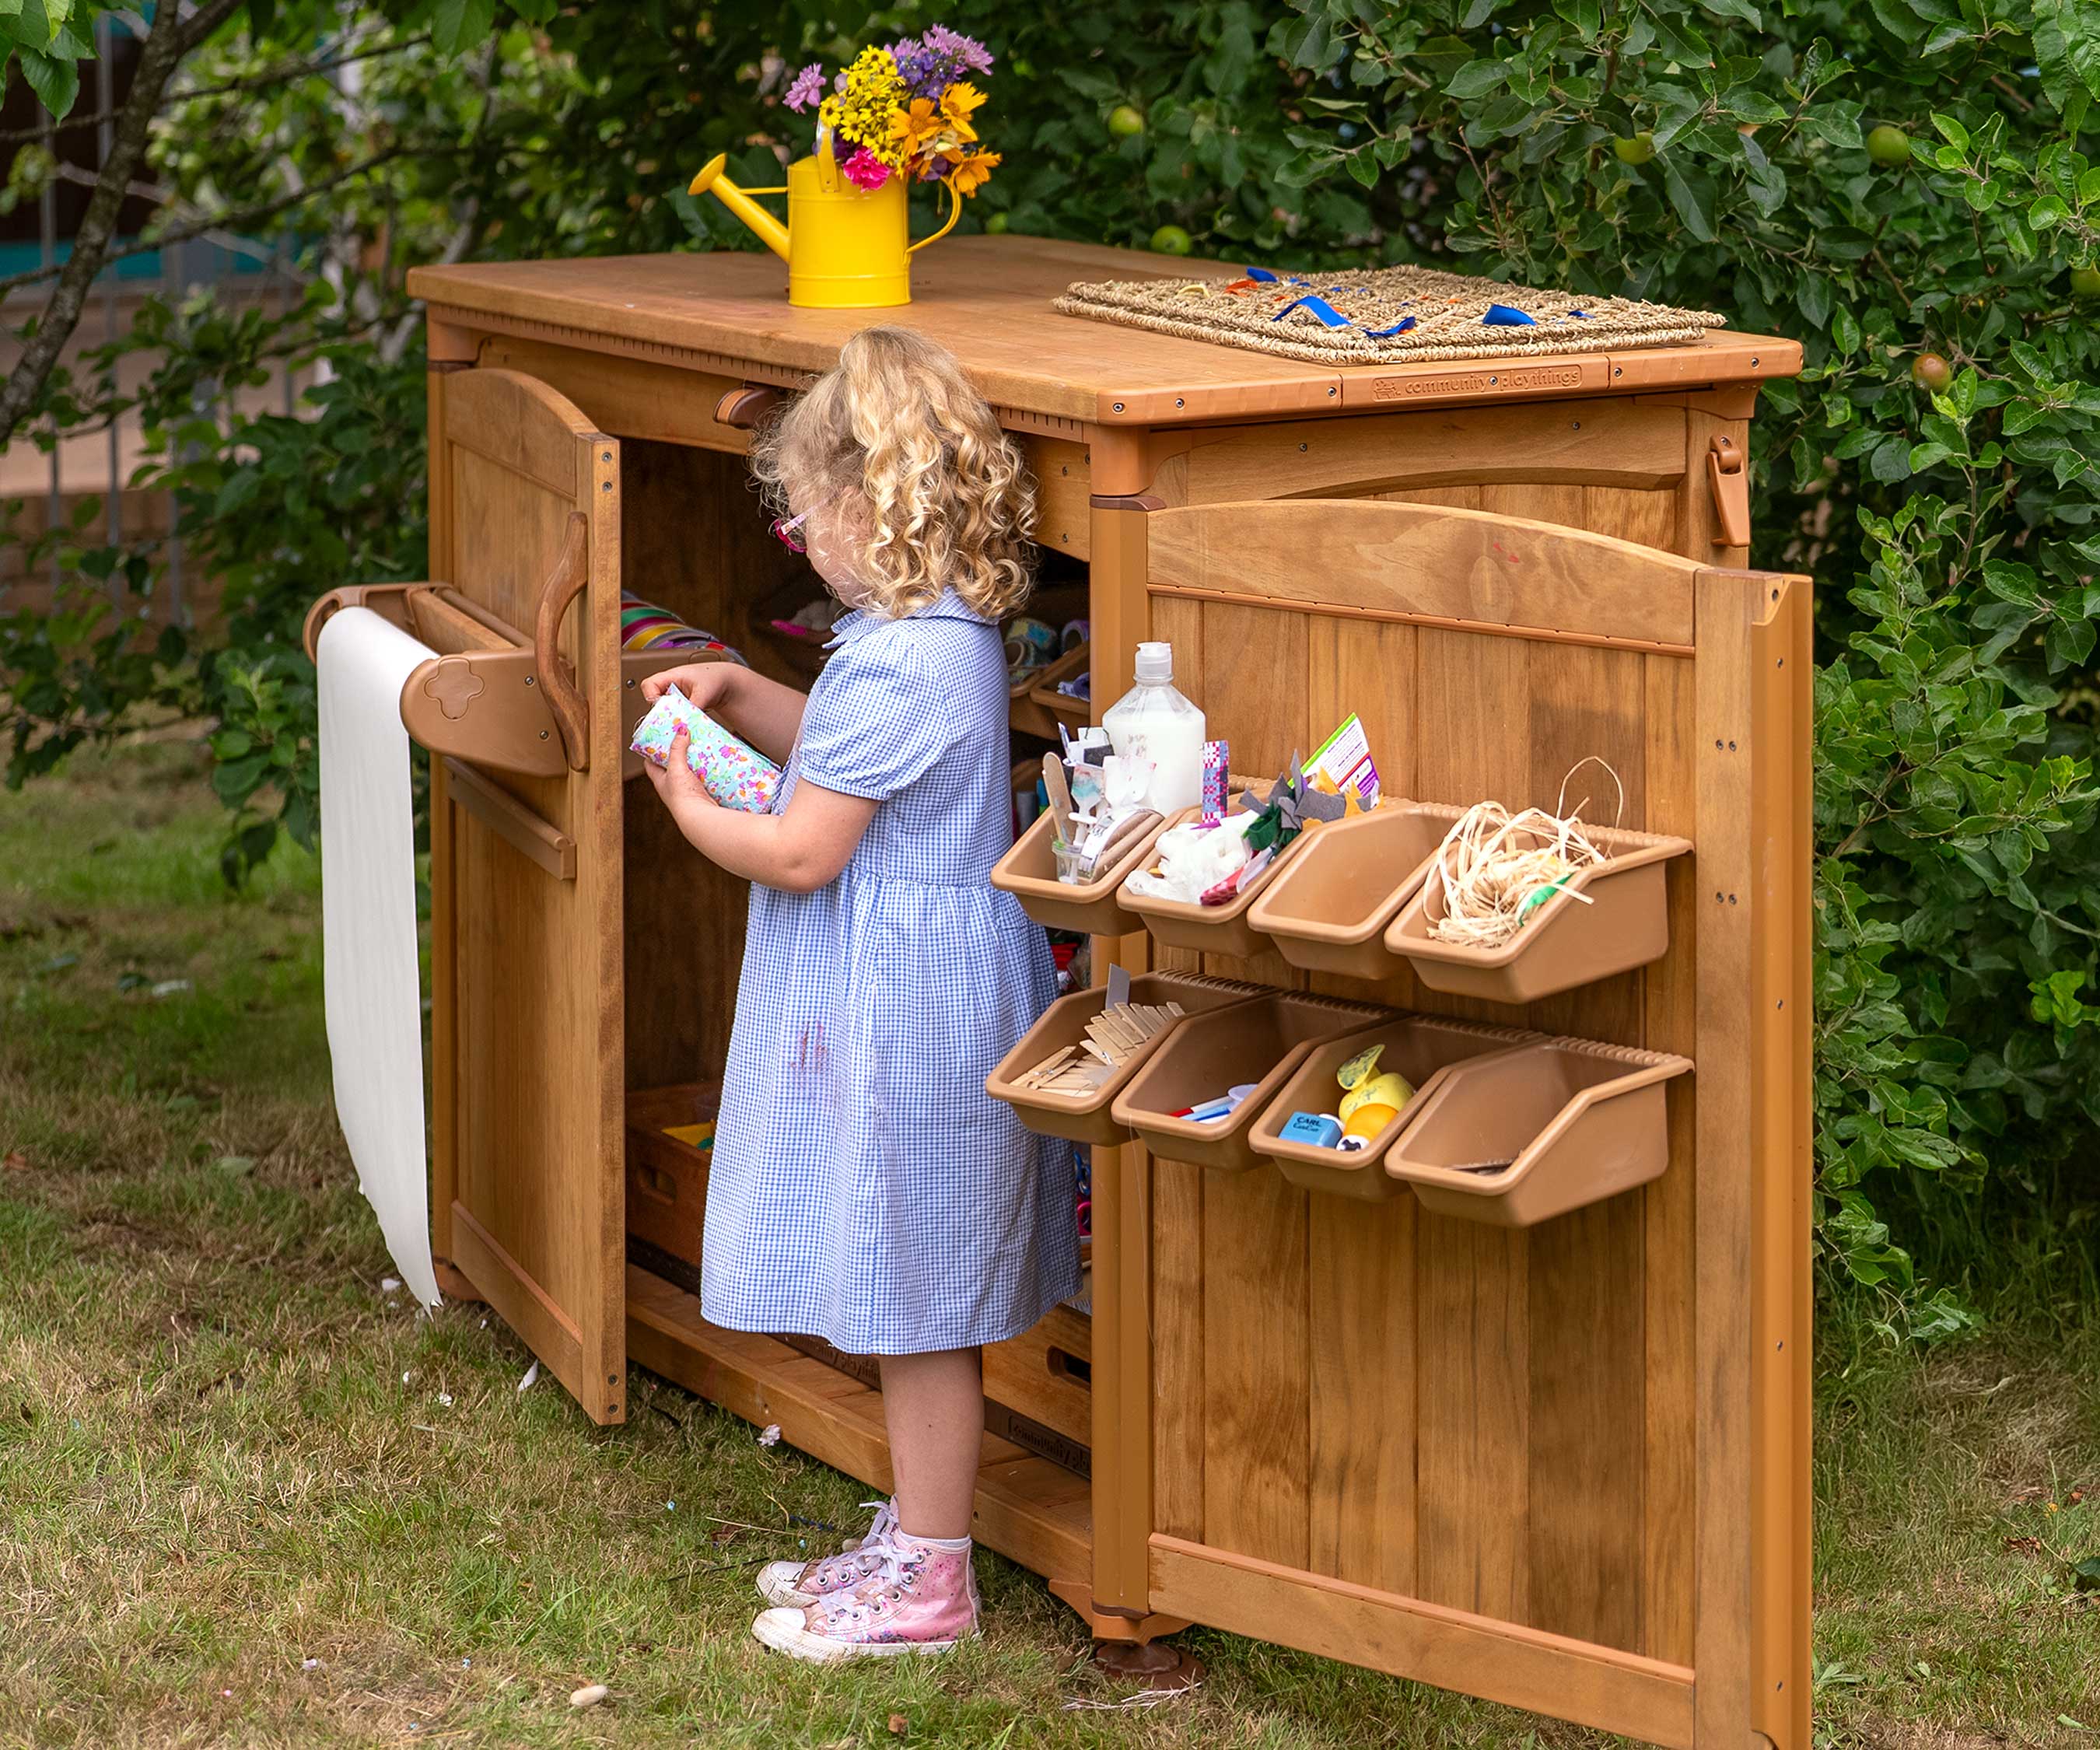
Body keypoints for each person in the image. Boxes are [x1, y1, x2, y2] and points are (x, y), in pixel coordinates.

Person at [637, 326, 1080, 1661]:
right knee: (912, 1271)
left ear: (868, 504)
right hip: (922, 984)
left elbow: (801, 844)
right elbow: (844, 754)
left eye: (802, 512)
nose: (795, 538)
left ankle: (934, 1579)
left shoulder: (899, 661)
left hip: (907, 1008)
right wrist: (743, 692)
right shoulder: (935, 635)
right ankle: (921, 1528)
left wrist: (678, 785)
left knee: (919, 1286)